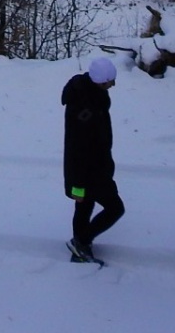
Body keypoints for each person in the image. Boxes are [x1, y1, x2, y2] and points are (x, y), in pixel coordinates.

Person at [62, 56, 124, 263]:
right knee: (115, 208)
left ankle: (81, 250)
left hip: (94, 168)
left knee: (84, 207)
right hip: (89, 172)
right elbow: (77, 148)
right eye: (110, 81)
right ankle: (81, 241)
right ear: (100, 80)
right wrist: (77, 185)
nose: (112, 85)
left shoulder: (92, 96)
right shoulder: (85, 107)